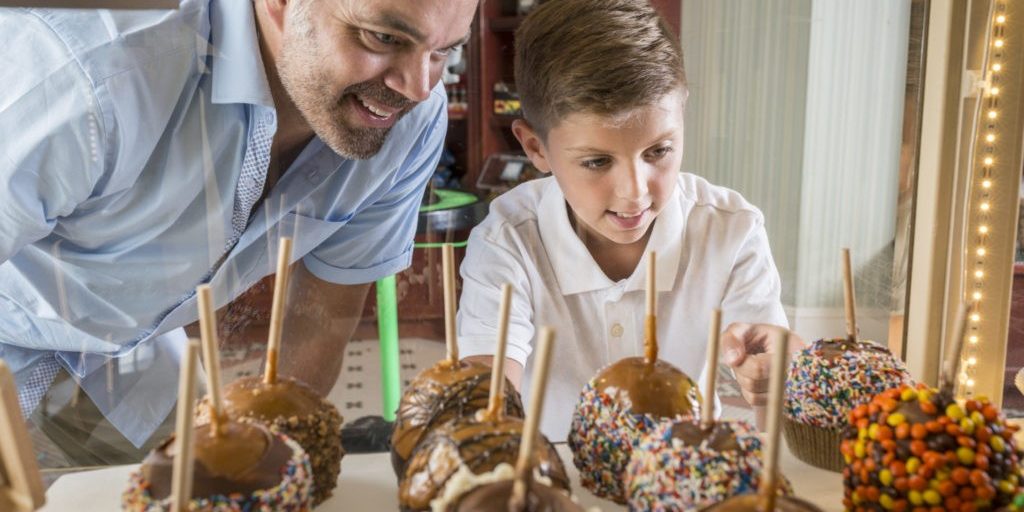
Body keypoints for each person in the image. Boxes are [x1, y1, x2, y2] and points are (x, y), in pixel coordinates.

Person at [0, 0, 476, 466]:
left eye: (443, 51)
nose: (418, 87)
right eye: (384, 38)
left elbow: (322, 315)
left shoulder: (410, 125)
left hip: (136, 368)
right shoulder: (88, 74)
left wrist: (270, 467)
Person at [456, 0, 803, 440]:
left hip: (686, 470)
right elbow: (489, 396)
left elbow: (775, 399)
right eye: (597, 161)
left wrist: (783, 375)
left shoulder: (731, 231)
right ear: (536, 148)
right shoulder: (506, 241)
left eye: (659, 151)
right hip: (555, 474)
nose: (635, 192)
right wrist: (481, 410)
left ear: (683, 112)